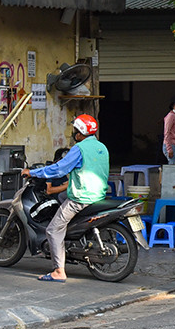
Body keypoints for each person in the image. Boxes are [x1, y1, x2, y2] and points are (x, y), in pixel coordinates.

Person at [23, 114, 110, 282]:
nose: (73, 133)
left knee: (53, 229)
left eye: (75, 130)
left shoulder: (79, 149)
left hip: (81, 197)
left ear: (80, 133)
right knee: (61, 196)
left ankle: (58, 271)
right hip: (98, 193)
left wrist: (32, 172)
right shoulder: (101, 147)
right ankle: (69, 233)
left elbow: (58, 170)